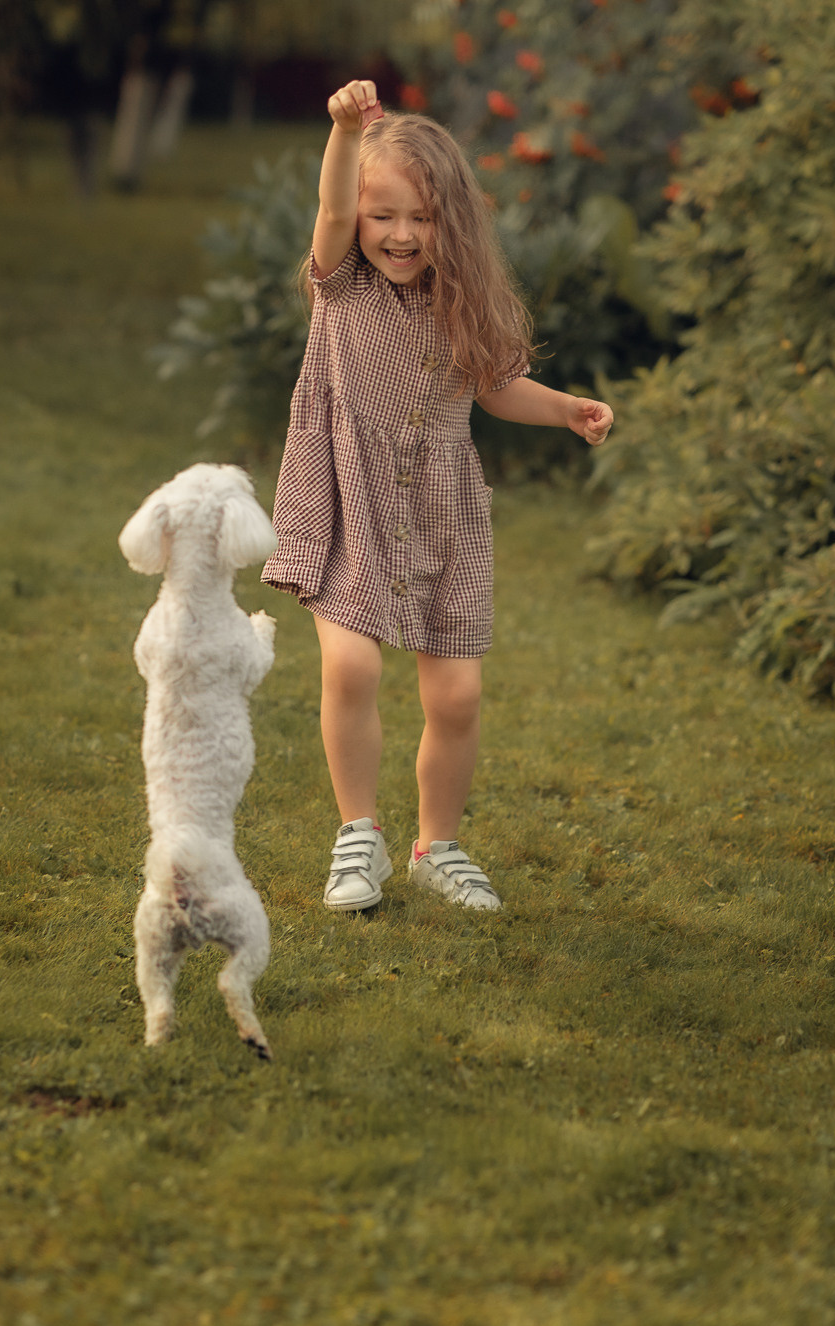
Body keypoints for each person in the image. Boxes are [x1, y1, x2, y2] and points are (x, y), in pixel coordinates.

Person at [261, 80, 614, 915]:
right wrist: (346, 132)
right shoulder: (341, 281)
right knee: (350, 665)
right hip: (349, 498)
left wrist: (565, 409)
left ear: (450, 221)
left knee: (456, 695)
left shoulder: (461, 303)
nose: (401, 234)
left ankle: (436, 846)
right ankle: (359, 836)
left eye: (421, 217)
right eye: (383, 215)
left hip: (444, 513)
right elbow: (331, 204)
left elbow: (497, 389)